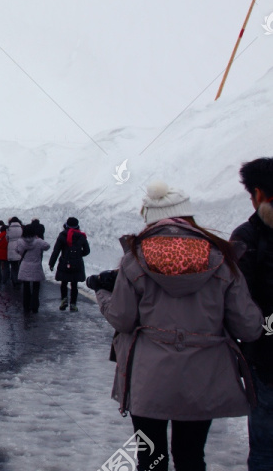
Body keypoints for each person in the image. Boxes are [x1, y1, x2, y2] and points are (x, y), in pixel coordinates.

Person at [95, 180, 263, 471]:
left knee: (151, 457)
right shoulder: (222, 259)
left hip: (148, 380)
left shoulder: (134, 259)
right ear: (188, 217)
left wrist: (103, 294)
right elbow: (249, 327)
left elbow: (122, 319)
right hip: (203, 379)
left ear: (149, 218)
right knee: (191, 457)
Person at [230, 158, 273, 470]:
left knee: (263, 447)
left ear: (258, 193)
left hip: (264, 354)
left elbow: (236, 297)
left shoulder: (247, 236)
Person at [49, 217, 89, 311]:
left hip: (64, 262)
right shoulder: (81, 236)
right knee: (74, 284)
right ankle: (73, 304)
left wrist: (52, 263)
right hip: (77, 263)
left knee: (64, 282)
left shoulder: (63, 235)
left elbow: (56, 251)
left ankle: (64, 300)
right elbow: (87, 251)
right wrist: (79, 255)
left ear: (66, 225)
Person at [16, 223, 50, 312]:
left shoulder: (20, 241)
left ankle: (26, 306)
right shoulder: (38, 242)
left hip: (25, 266)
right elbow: (47, 246)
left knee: (26, 287)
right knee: (36, 287)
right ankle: (35, 305)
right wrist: (38, 239)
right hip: (36, 266)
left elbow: (17, 250)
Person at [6, 217, 24, 289]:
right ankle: (19, 279)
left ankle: (14, 280)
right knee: (19, 265)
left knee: (13, 266)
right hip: (20, 246)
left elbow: (7, 238)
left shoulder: (8, 229)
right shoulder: (21, 228)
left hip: (11, 247)